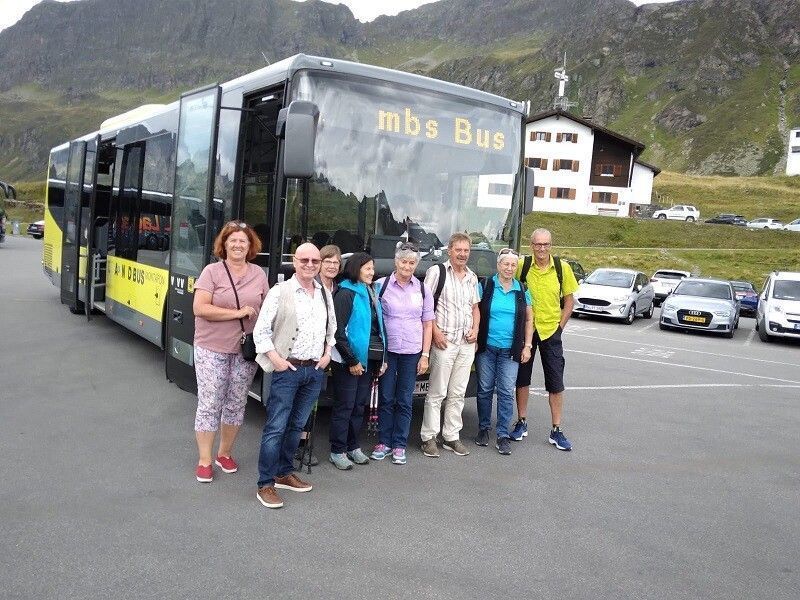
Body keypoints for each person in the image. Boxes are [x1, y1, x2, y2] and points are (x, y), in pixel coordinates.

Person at [252, 243, 336, 509]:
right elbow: (261, 331)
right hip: (287, 369)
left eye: (315, 260)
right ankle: (265, 483)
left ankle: (283, 472)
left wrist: (327, 353)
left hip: (313, 370)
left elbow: (331, 327)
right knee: (277, 426)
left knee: (297, 425)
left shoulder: (324, 293)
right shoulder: (280, 291)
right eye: (305, 260)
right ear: (295, 261)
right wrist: (276, 360)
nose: (310, 265)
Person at [192, 221, 268, 482]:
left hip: (245, 350)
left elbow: (267, 309)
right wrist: (237, 313)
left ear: (250, 246)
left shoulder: (258, 273)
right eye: (232, 240)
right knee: (211, 402)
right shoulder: (211, 272)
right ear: (224, 244)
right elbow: (200, 308)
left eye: (243, 241)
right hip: (212, 347)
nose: (238, 245)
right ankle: (204, 459)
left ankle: (224, 453)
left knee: (236, 402)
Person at [512, 228, 579, 451]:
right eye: (538, 244)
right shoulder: (522, 266)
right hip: (526, 332)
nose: (542, 249)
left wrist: (559, 328)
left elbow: (569, 302)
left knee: (556, 382)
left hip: (551, 331)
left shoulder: (562, 268)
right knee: (522, 378)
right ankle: (521, 422)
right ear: (531, 245)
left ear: (551, 245)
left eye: (546, 244)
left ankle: (556, 429)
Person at [371, 243, 434, 465]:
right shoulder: (381, 285)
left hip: (412, 352)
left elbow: (428, 324)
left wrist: (425, 355)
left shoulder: (423, 289)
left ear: (416, 264)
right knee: (387, 397)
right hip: (389, 352)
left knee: (405, 400)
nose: (407, 266)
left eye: (411, 262)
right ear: (396, 262)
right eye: (403, 262)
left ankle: (399, 444)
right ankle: (384, 442)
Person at [420, 232, 480, 458]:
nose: (462, 254)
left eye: (466, 251)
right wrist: (434, 332)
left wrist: (475, 329)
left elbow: (475, 308)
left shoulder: (472, 277)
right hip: (444, 342)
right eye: (458, 250)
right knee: (436, 392)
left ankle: (451, 436)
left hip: (465, 344)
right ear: (450, 251)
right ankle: (429, 437)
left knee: (458, 393)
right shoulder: (436, 273)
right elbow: (425, 307)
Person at [329, 252, 387, 470]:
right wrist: (351, 360)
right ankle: (338, 450)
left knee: (358, 407)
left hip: (368, 360)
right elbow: (337, 332)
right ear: (356, 268)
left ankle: (353, 446)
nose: (372, 272)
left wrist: (383, 358)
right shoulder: (346, 293)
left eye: (373, 268)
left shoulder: (370, 292)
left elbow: (380, 328)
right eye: (368, 268)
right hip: (347, 362)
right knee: (344, 406)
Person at [474, 248, 533, 455]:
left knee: (507, 391)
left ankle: (502, 434)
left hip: (511, 350)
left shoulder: (522, 289)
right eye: (505, 264)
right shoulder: (486, 285)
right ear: (498, 265)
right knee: (484, 389)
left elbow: (528, 319)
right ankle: (483, 428)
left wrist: (527, 345)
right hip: (486, 347)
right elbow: (475, 311)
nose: (509, 268)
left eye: (513, 265)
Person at [295, 244, 341, 468]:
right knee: (302, 402)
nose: (332, 266)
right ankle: (297, 446)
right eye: (328, 262)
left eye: (336, 263)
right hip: (305, 355)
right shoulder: (311, 287)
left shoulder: (338, 289)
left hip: (325, 354)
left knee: (313, 402)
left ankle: (305, 443)